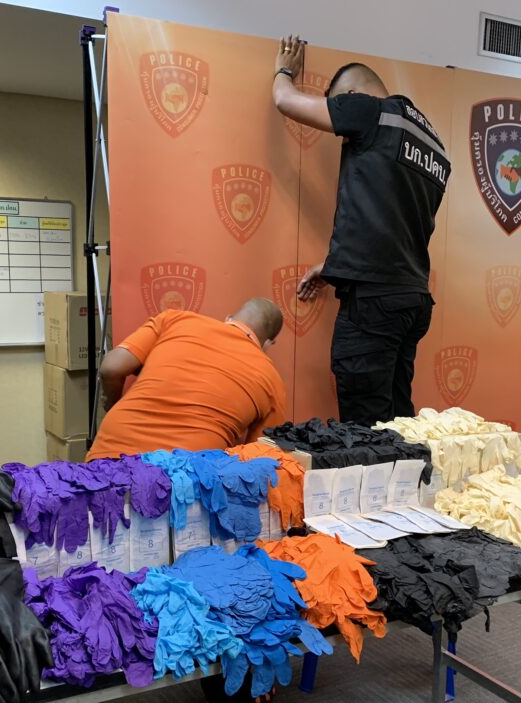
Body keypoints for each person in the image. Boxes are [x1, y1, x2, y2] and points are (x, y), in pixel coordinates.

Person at [271, 35, 450, 425]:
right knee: (398, 424)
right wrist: (334, 265)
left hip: (374, 305)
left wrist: (284, 70)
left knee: (366, 433)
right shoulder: (433, 143)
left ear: (351, 95)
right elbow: (393, 222)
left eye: (339, 104)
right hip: (411, 299)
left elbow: (285, 101)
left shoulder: (371, 111)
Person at [85, 298, 287, 461]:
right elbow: (259, 458)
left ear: (228, 318)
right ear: (269, 343)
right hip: (185, 475)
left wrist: (112, 405)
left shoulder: (175, 319)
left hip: (113, 451)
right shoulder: (272, 380)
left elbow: (111, 368)